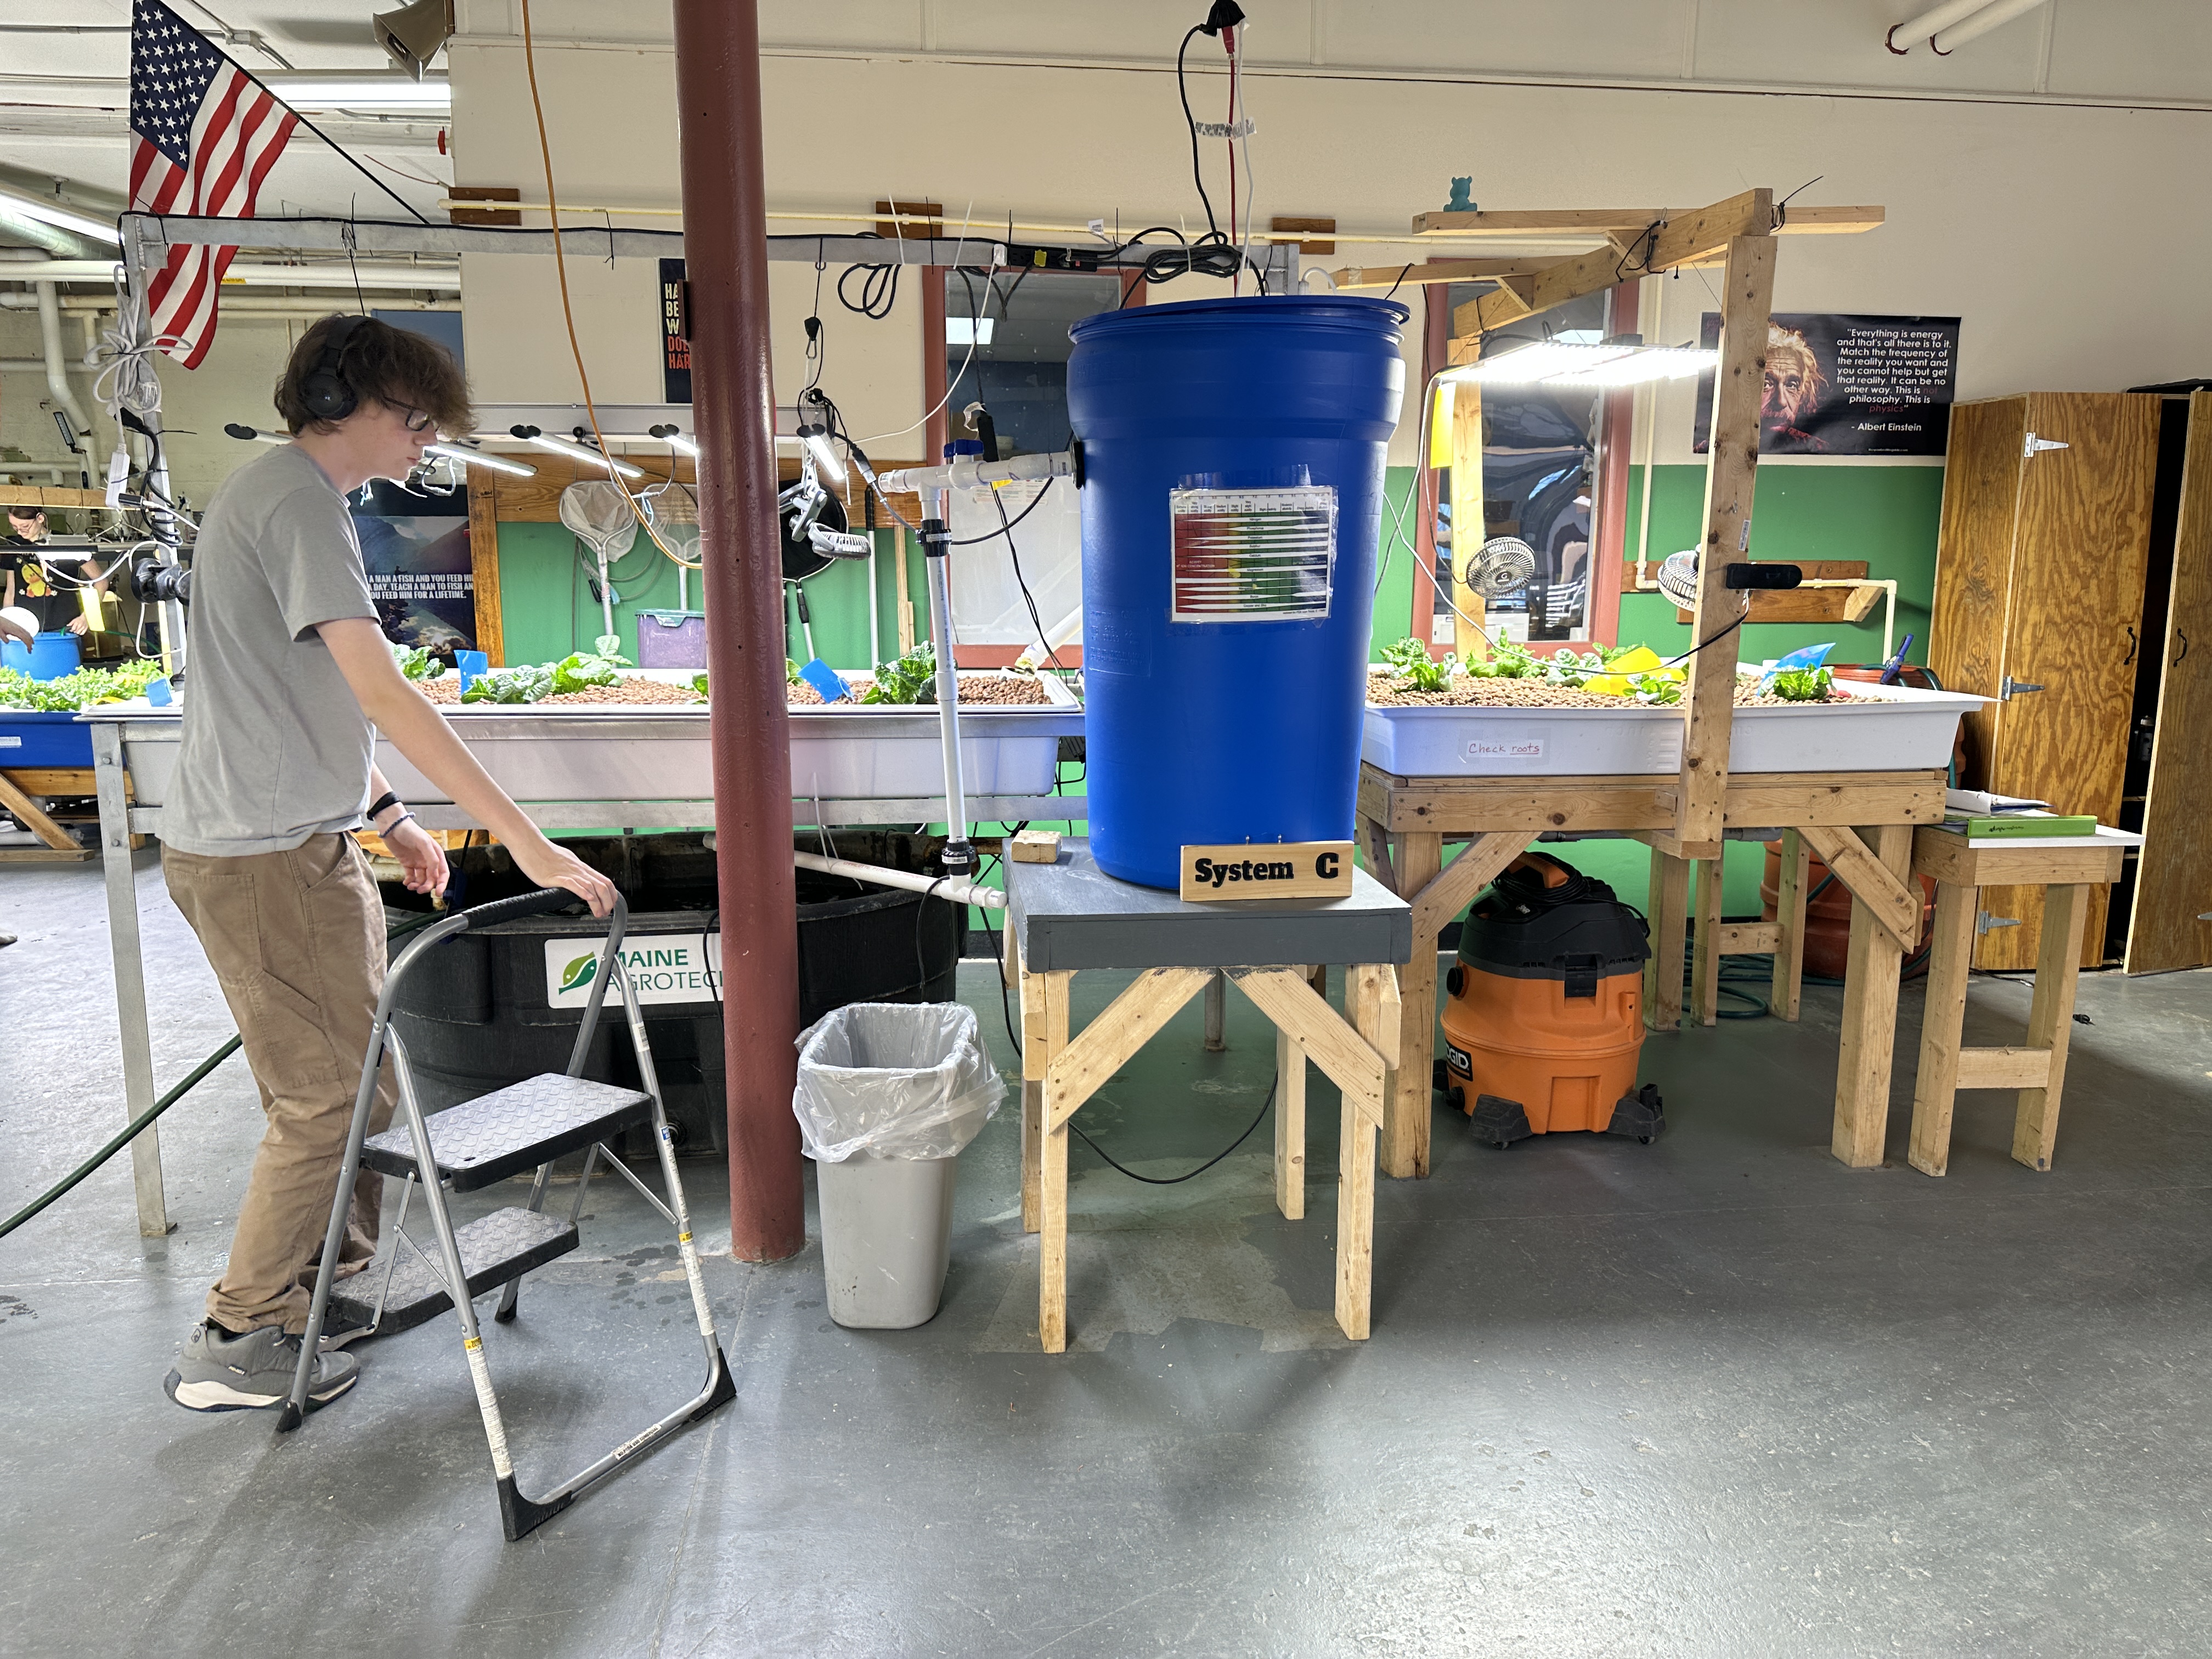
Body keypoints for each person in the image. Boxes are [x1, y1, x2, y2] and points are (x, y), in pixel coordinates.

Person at [159, 314, 618, 1414]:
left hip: (300, 842)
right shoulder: (298, 503)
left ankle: (329, 1281)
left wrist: (391, 817)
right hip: (262, 860)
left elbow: (307, 696)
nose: (424, 441)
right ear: (341, 402)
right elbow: (381, 692)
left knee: (360, 1082)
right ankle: (239, 1332)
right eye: (412, 420)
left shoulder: (290, 500)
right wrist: (522, 837)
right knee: (323, 1101)